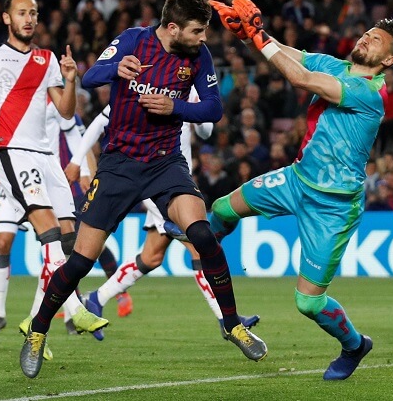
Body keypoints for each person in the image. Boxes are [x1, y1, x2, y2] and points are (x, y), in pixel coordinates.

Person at [19, 0, 266, 379]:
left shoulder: (197, 56)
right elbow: (91, 75)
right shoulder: (134, 39)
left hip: (166, 163)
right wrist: (116, 68)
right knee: (81, 260)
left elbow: (214, 108)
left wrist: (176, 107)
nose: (204, 39)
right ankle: (37, 330)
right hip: (119, 164)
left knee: (202, 234)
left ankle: (232, 324)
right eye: (197, 31)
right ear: (172, 27)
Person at [208, 0, 393, 380]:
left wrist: (259, 36)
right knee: (220, 209)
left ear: (388, 61)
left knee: (308, 303)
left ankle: (355, 345)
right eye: (367, 33)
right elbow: (291, 55)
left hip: (333, 205)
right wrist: (251, 37)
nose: (366, 39)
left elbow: (298, 78)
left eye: (377, 40)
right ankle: (203, 251)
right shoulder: (337, 65)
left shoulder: (371, 95)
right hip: (297, 179)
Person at [0, 0, 107, 354]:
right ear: (7, 18)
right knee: (48, 229)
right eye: (22, 13)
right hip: (10, 151)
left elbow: (67, 114)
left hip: (46, 155)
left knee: (70, 239)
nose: (29, 18)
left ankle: (34, 320)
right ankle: (74, 307)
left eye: (34, 13)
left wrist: (70, 80)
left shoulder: (48, 58)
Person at [65, 98, 260, 339]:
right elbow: (99, 122)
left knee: (152, 257)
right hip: (150, 180)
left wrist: (197, 106)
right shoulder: (147, 85)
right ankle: (225, 318)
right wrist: (77, 161)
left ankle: (96, 298)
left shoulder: (188, 87)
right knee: (200, 247)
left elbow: (205, 131)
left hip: (176, 182)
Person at [0, 97, 93, 338]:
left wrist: (83, 169)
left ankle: (65, 313)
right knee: (3, 241)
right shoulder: (0, 92)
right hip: (10, 172)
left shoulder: (53, 93)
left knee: (60, 243)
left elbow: (73, 132)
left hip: (43, 173)